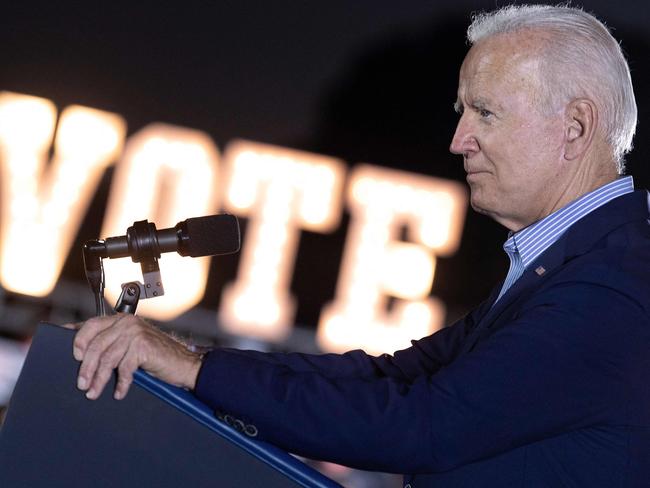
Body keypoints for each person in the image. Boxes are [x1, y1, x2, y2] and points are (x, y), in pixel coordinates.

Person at [66, 5, 650, 486]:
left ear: (575, 127)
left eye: (486, 113)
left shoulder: (612, 285)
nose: (458, 140)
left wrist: (194, 370)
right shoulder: (573, 262)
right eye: (461, 112)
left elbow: (421, 425)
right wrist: (192, 364)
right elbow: (391, 379)